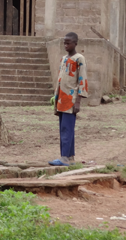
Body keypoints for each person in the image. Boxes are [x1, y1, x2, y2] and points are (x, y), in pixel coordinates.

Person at [50, 32, 87, 166]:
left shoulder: (79, 59)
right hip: (61, 99)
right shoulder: (64, 59)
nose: (66, 45)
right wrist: (56, 97)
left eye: (68, 43)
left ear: (75, 43)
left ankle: (64, 156)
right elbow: (60, 80)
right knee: (63, 128)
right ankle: (69, 156)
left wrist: (78, 100)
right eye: (64, 43)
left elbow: (82, 79)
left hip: (71, 99)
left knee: (67, 128)